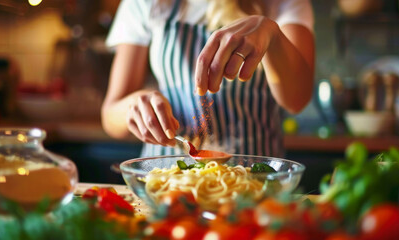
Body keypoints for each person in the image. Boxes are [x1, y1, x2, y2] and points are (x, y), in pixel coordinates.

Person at [102, 0, 315, 158]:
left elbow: (297, 100)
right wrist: (134, 106)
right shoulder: (145, 3)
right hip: (167, 185)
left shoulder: (283, 4)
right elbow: (110, 115)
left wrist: (272, 35)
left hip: (254, 184)